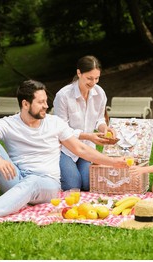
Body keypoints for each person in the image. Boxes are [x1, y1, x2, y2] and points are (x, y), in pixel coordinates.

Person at [0, 79, 126, 227]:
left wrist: (113, 162)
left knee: (33, 181)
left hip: (47, 185)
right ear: (25, 104)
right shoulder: (8, 123)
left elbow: (80, 148)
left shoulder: (55, 123)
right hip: (17, 178)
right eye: (40, 102)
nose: (46, 106)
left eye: (45, 101)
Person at [53, 55, 116, 191]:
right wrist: (89, 136)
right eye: (89, 78)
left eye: (97, 78)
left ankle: (73, 171)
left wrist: (104, 128)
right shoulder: (63, 96)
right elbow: (61, 129)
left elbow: (100, 118)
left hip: (86, 148)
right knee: (73, 185)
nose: (93, 83)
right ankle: (54, 175)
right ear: (79, 73)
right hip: (65, 149)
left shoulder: (100, 93)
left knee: (88, 184)